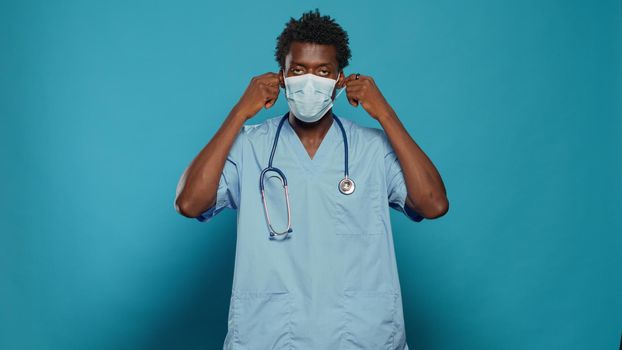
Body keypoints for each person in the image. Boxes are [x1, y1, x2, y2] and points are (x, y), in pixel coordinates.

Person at [174, 9, 448, 350]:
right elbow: (190, 202)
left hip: (360, 336)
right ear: (282, 77)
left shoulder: (371, 148)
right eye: (298, 70)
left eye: (323, 72)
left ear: (340, 80)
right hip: (271, 336)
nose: (309, 81)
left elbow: (433, 203)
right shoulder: (250, 146)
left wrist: (385, 113)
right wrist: (240, 112)